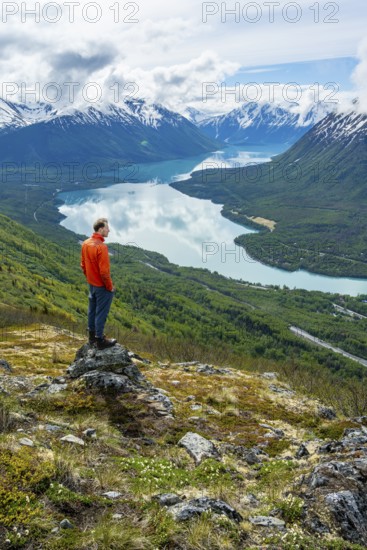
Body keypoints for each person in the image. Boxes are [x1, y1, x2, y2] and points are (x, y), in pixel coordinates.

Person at [81, 218, 117, 349]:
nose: (109, 230)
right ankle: (100, 340)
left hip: (91, 284)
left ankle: (91, 338)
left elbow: (83, 265)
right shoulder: (101, 247)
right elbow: (104, 272)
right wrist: (110, 287)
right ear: (101, 229)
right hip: (102, 286)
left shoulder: (86, 243)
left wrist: (90, 278)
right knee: (101, 312)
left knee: (92, 310)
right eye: (107, 228)